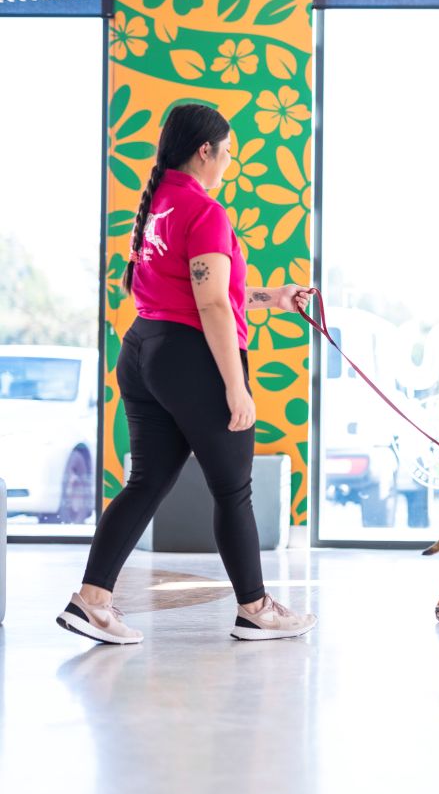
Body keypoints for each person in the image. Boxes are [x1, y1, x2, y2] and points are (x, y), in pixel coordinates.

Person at [57, 103, 317, 644]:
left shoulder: (160, 206)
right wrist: (235, 385)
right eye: (226, 153)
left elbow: (204, 291)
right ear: (206, 151)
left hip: (144, 350)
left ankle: (93, 600)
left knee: (147, 480)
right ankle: (255, 609)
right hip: (191, 357)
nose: (228, 163)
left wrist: (277, 298)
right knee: (233, 489)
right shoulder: (205, 212)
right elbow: (213, 307)